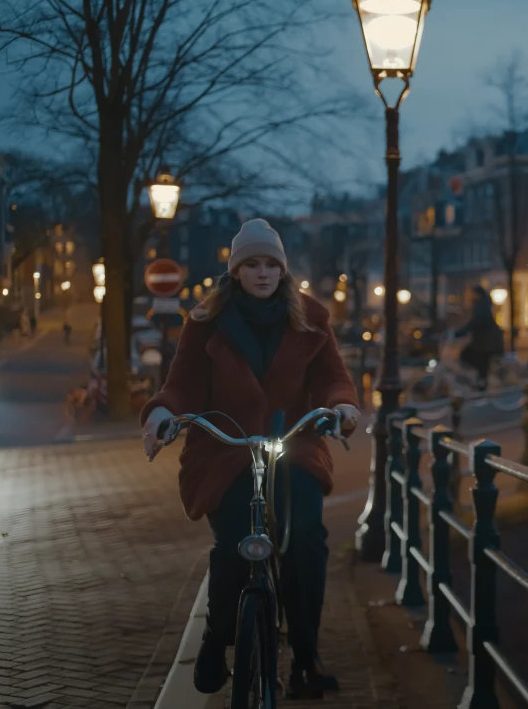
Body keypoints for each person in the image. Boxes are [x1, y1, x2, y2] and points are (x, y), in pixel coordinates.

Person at [139, 219, 362, 698]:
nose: (262, 273)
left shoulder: (310, 318)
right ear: (236, 271)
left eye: (271, 264)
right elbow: (182, 385)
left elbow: (332, 378)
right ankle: (217, 640)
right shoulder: (204, 324)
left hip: (294, 445)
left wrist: (341, 406)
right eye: (252, 264)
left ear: (282, 270)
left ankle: (306, 656)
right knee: (234, 546)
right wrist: (161, 414)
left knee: (305, 540)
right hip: (226, 451)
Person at [454, 285, 504, 391]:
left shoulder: (481, 306)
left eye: (472, 294)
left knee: (467, 356)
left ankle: (481, 385)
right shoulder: (483, 304)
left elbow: (476, 322)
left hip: (486, 344)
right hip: (485, 342)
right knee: (478, 362)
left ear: (477, 294)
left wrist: (459, 333)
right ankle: (480, 381)